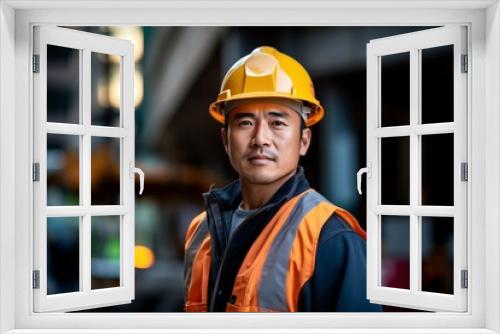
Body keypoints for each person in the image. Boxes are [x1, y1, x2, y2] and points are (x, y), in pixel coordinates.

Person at [183, 46, 382, 312]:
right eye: (245, 122)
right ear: (225, 140)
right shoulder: (201, 231)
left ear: (303, 141)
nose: (260, 139)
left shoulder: (331, 239)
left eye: (277, 123)